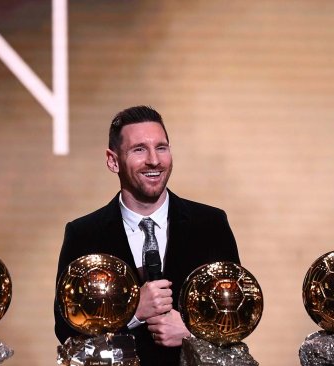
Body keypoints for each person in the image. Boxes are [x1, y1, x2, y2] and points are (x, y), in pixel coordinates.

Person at [54, 105, 240, 366]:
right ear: (113, 160)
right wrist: (132, 313)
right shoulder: (84, 234)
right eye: (139, 149)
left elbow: (236, 316)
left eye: (161, 147)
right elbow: (67, 334)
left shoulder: (210, 224)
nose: (154, 160)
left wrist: (190, 332)